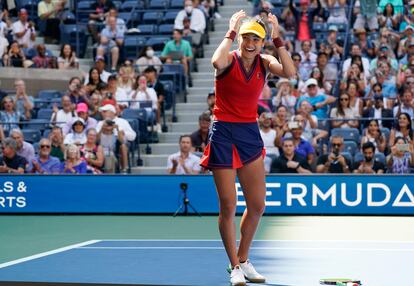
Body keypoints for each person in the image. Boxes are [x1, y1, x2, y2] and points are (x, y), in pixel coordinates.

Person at [199, 11, 295, 286]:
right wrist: (230, 31)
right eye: (246, 38)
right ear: (239, 39)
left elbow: (290, 72)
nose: (250, 43)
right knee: (228, 205)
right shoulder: (229, 59)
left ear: (262, 42)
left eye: (256, 38)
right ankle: (233, 267)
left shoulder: (265, 62)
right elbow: (216, 60)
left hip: (249, 133)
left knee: (257, 205)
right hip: (223, 133)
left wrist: (276, 36)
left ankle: (243, 259)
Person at [96, 103, 136, 173]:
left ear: (112, 113)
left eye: (105, 111)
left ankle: (124, 170)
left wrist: (121, 132)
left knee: (123, 146)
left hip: (118, 147)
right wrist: (102, 128)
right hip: (102, 148)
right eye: (102, 112)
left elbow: (133, 136)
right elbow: (95, 139)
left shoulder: (122, 122)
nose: (102, 113)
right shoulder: (100, 123)